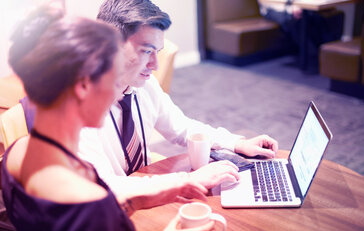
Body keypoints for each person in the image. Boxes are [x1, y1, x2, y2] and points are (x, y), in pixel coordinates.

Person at [2, 4, 221, 231]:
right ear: (83, 87)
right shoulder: (91, 208)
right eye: (115, 81)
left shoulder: (18, 150)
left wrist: (147, 195)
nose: (120, 95)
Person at [75, 0, 279, 196]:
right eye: (147, 51)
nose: (155, 65)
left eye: (157, 52)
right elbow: (106, 187)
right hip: (111, 209)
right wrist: (187, 181)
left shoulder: (143, 85)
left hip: (147, 184)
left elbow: (181, 127)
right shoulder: (78, 108)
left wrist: (237, 143)